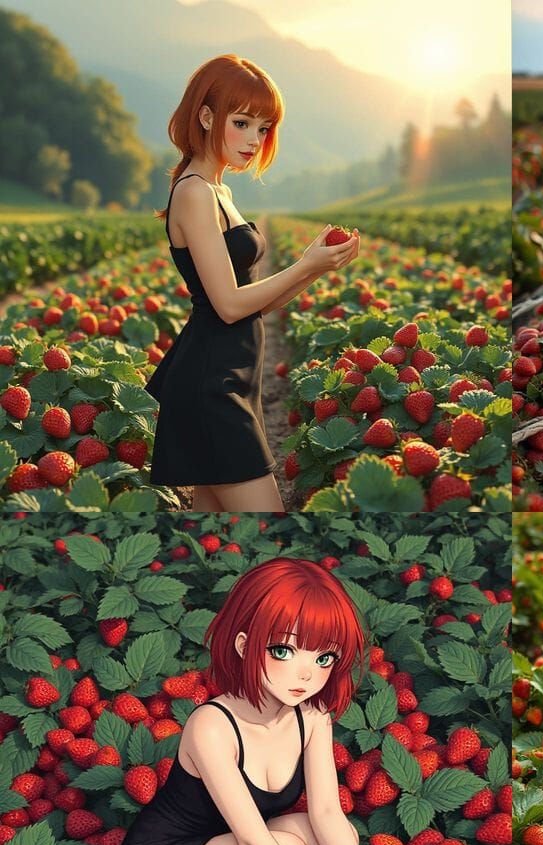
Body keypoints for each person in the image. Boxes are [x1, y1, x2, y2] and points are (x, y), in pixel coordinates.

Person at [113, 557, 388, 845]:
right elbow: (256, 843)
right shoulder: (212, 726)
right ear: (244, 646)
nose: (305, 673)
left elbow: (328, 813)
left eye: (324, 657)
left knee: (337, 843)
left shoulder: (312, 716)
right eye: (283, 650)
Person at [146, 54, 360, 512]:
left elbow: (253, 304)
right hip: (211, 384)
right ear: (207, 117)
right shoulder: (194, 193)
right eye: (241, 123)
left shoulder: (219, 191)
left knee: (216, 538)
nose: (254, 140)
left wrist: (315, 266)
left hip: (233, 374)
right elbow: (227, 305)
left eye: (263, 128)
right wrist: (304, 266)